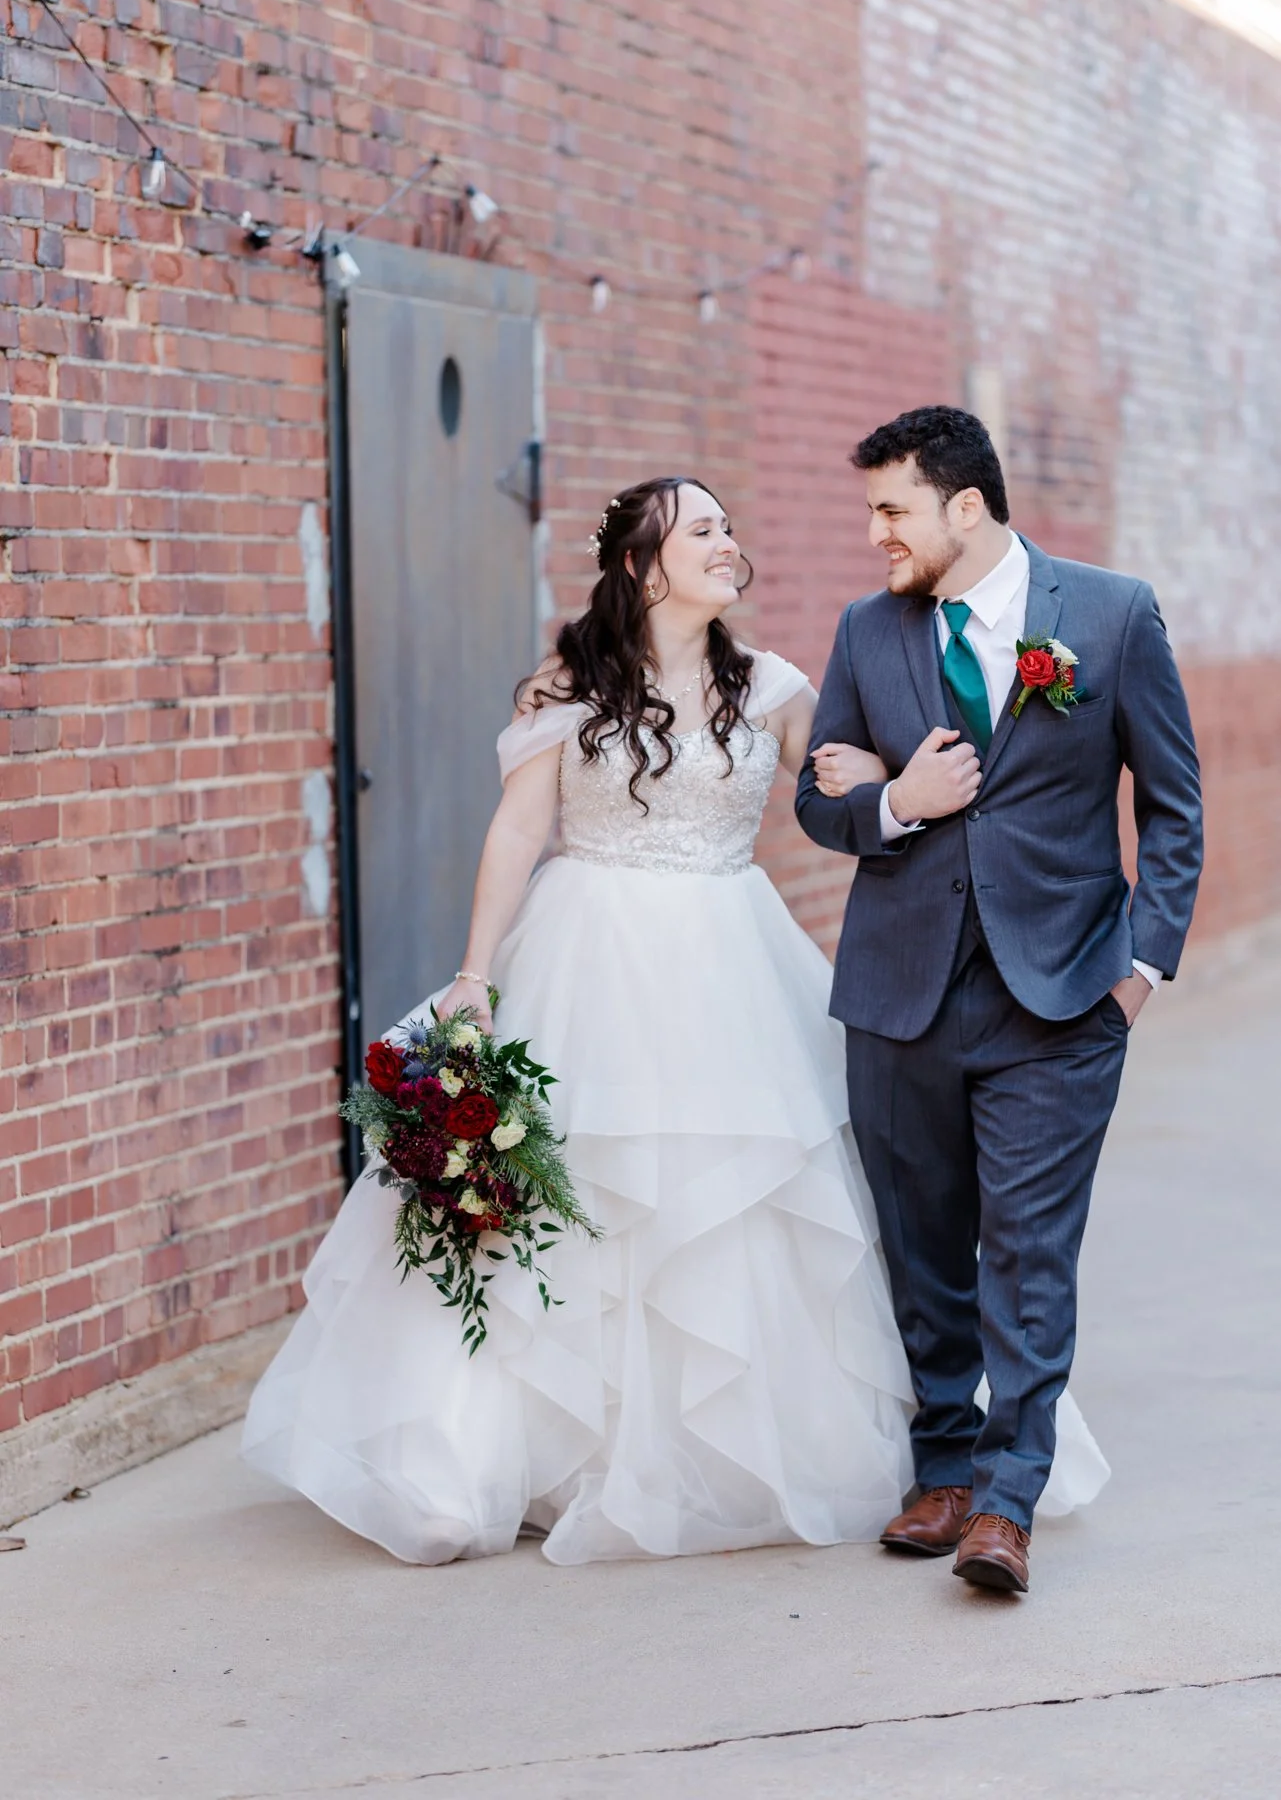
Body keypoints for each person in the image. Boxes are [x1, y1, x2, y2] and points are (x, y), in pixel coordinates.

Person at [242, 472, 1105, 1565]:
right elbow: (519, 833)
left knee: (760, 1201)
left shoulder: (780, 685)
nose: (727, 543)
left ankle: (794, 1452)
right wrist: (472, 974)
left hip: (731, 961)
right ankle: (529, 1453)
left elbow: (838, 802)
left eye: (730, 527)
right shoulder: (570, 682)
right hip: (586, 950)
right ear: (645, 563)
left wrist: (888, 778)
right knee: (571, 1200)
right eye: (703, 530)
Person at [798, 406, 1202, 1594]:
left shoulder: (1113, 616)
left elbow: (1172, 804)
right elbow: (824, 804)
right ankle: (942, 1469)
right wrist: (896, 803)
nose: (876, 534)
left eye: (892, 510)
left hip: (1063, 992)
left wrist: (1142, 967)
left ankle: (1009, 1497)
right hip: (900, 993)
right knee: (924, 1248)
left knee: (1028, 1250)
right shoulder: (867, 631)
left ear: (963, 508)